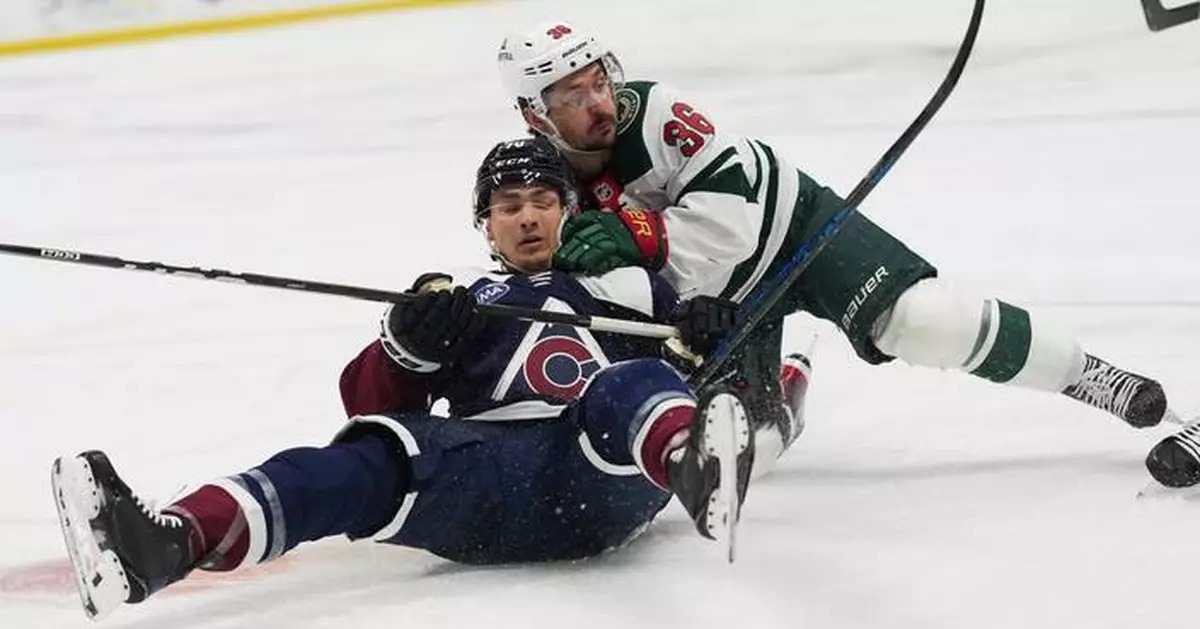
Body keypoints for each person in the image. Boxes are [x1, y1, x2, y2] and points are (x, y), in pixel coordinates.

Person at [50, 138, 801, 620]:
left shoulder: (625, 289)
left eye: (545, 201)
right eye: (510, 206)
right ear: (487, 224)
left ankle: (692, 471)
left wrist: (705, 330)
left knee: (624, 386)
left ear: (570, 212)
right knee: (359, 459)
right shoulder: (460, 302)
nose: (530, 218)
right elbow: (369, 403)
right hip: (486, 488)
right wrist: (404, 345)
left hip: (600, 476)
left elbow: (714, 379)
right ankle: (166, 546)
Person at [492, 20, 1179, 476]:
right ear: (534, 114)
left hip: (797, 228)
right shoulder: (542, 185)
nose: (599, 102)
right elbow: (568, 288)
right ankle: (787, 384)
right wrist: (667, 313)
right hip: (722, 305)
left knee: (925, 319)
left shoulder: (658, 110)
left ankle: (1092, 375)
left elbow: (738, 214)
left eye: (597, 80)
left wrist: (650, 236)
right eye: (572, 95)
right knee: (743, 450)